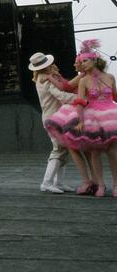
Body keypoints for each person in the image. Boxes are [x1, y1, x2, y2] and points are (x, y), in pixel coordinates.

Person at [43, 40, 117, 197]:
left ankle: (110, 183)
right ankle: (98, 184)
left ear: (94, 60)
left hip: (108, 113)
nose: (81, 64)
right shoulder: (83, 79)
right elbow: (73, 95)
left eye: (84, 61)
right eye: (80, 61)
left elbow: (115, 97)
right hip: (90, 112)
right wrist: (81, 120)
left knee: (112, 151)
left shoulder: (109, 77)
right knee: (93, 150)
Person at [29, 52, 90, 194]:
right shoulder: (46, 80)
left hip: (53, 116)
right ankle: (47, 182)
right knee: (58, 149)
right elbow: (61, 95)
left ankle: (58, 182)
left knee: (63, 149)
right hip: (54, 118)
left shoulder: (40, 79)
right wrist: (81, 97)